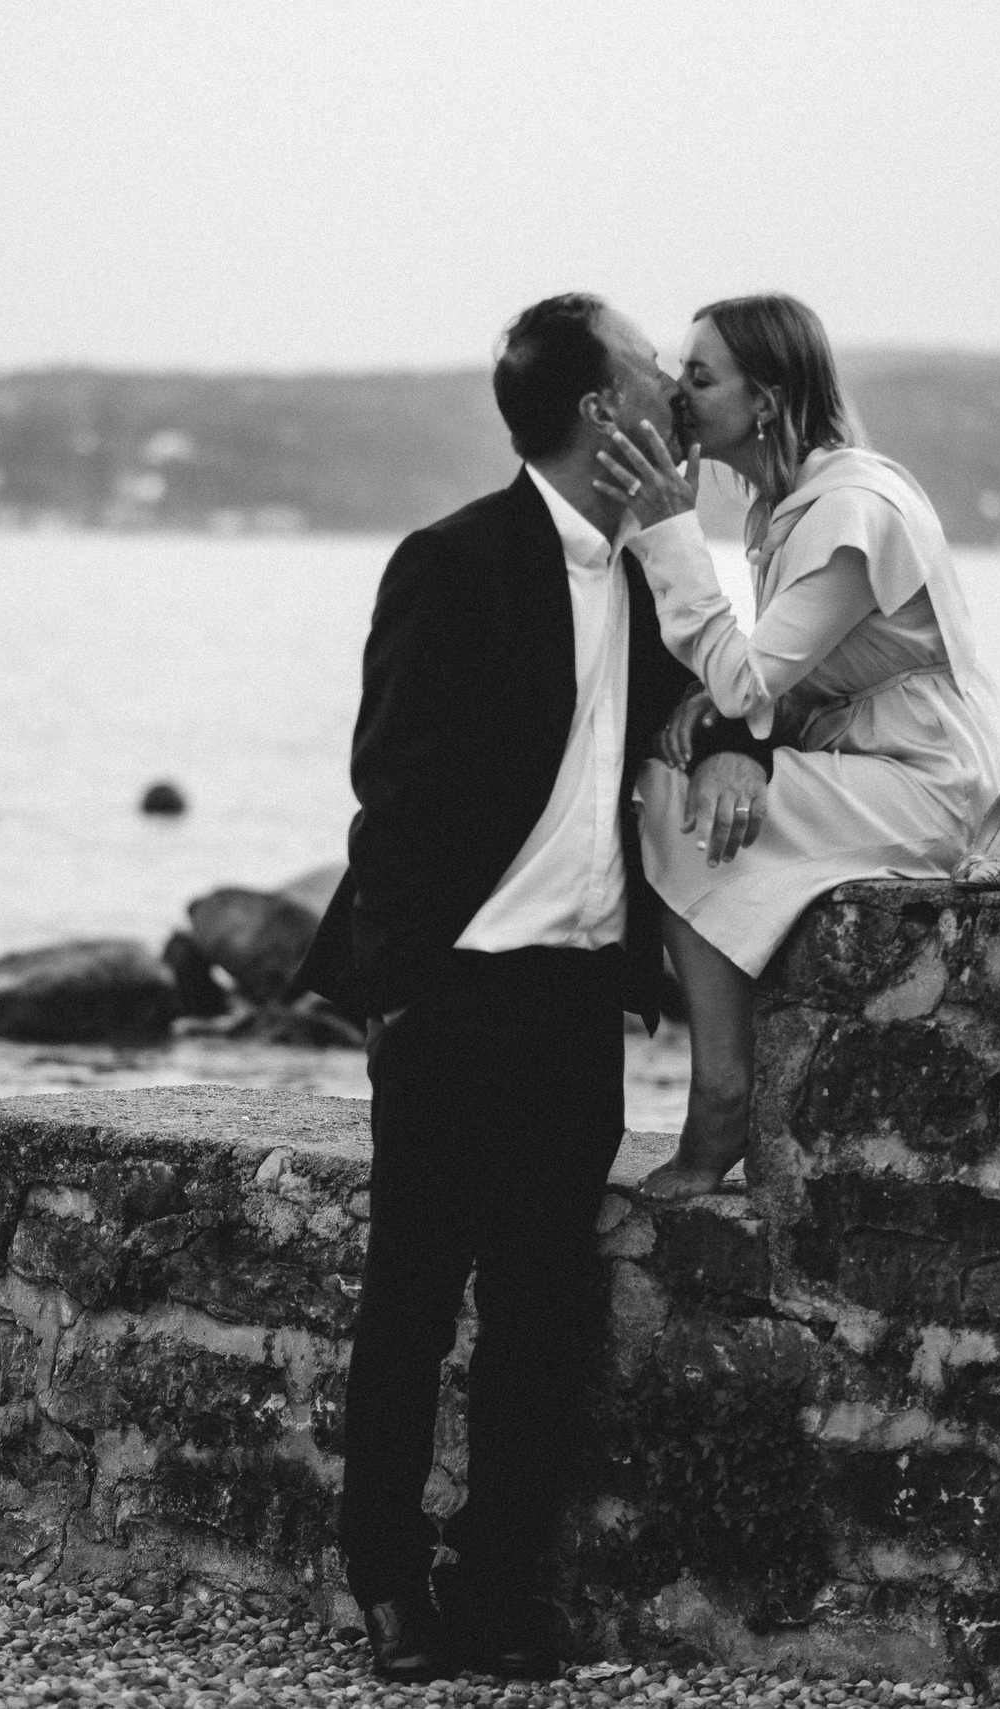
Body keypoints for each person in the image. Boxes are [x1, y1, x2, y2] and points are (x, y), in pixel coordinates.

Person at [291, 293, 764, 1680]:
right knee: (412, 1299)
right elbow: (392, 793)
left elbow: (735, 689)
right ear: (597, 412)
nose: (674, 392)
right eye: (646, 373)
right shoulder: (450, 562)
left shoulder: (648, 575)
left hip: (576, 1007)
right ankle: (381, 1570)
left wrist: (738, 743)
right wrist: (403, 993)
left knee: (544, 1314)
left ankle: (501, 1585)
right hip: (456, 999)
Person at [596, 293, 1000, 1201]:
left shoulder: (849, 510)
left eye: (701, 376)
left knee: (667, 800)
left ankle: (721, 1096)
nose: (676, 391)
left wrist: (670, 530)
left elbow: (750, 680)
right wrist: (729, 736)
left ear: (768, 401)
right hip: (887, 762)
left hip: (934, 783)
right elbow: (774, 685)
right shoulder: (792, 504)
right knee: (688, 776)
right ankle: (715, 1081)